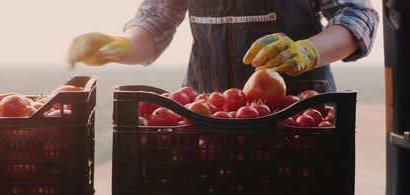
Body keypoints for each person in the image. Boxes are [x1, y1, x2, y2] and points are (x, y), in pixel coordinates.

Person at [67, 0, 379, 92]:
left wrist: (309, 50)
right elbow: (157, 21)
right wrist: (121, 45)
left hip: (297, 121)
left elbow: (358, 15)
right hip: (211, 117)